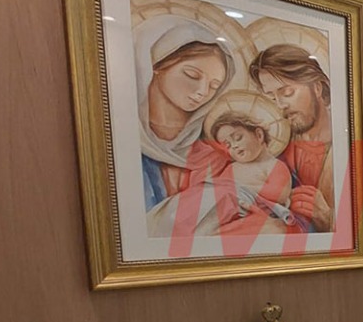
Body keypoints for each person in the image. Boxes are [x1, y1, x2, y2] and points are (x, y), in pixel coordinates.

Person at [137, 20, 236, 211]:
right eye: (192, 75)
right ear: (158, 64)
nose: (202, 92)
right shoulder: (121, 141)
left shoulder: (215, 155)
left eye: (214, 86)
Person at [249, 44, 335, 232]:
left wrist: (329, 218)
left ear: (317, 88)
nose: (280, 105)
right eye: (272, 98)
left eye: (287, 92)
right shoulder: (277, 147)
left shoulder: (348, 145)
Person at [206, 111, 295, 231]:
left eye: (238, 138)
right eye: (228, 145)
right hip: (227, 211)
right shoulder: (232, 168)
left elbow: (279, 194)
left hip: (255, 215)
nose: (234, 146)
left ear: (259, 135)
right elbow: (218, 190)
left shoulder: (273, 165)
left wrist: (243, 188)